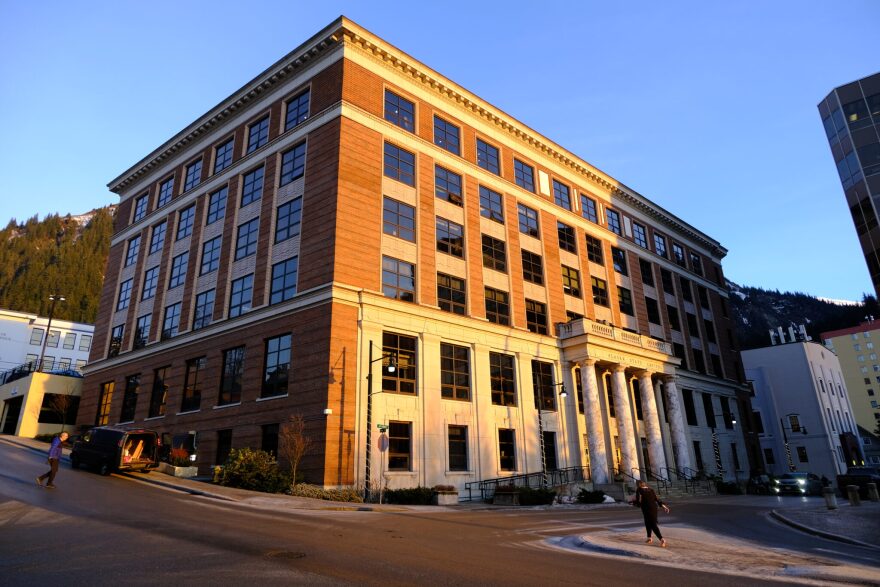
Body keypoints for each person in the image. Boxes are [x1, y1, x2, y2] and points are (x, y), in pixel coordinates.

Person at [632, 480, 670, 547]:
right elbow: (657, 499)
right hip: (654, 508)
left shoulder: (639, 490)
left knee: (652, 524)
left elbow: (639, 502)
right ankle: (649, 537)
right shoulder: (651, 489)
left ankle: (662, 539)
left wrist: (633, 503)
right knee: (647, 522)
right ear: (644, 484)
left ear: (638, 485)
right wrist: (664, 507)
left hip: (646, 508)